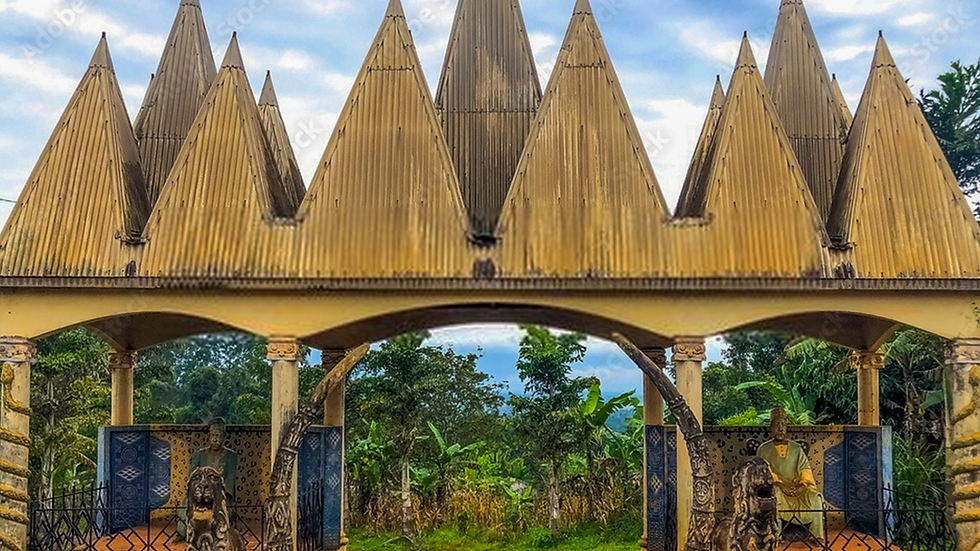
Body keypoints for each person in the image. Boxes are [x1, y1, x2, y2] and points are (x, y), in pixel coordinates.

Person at [756, 408, 825, 539]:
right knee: (775, 494)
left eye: (783, 425)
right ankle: (776, 535)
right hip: (778, 488)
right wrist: (780, 485)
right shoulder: (763, 449)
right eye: (777, 425)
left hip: (797, 488)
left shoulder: (796, 448)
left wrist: (803, 486)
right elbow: (763, 472)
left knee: (816, 498)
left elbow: (805, 469)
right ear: (771, 428)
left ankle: (816, 535)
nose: (780, 428)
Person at [177, 419, 239, 540]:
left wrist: (225, 494)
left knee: (222, 506)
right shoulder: (200, 454)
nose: (215, 439)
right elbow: (192, 476)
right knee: (186, 504)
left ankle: (220, 534)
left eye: (218, 435)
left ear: (224, 437)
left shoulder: (231, 456)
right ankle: (183, 533)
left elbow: (230, 478)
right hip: (200, 492)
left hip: (219, 493)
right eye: (212, 435)